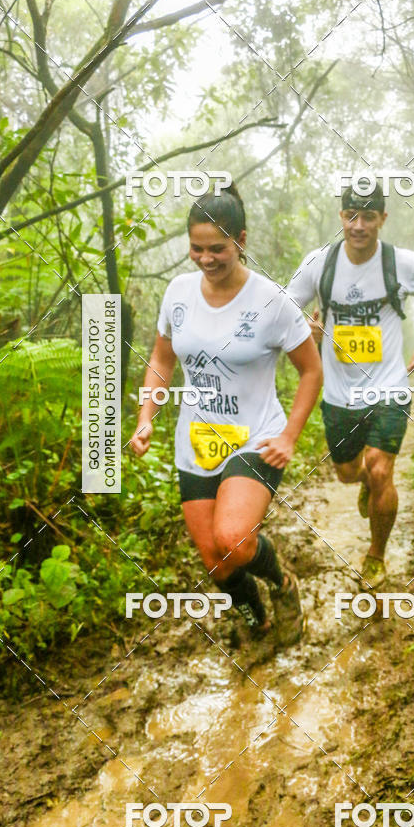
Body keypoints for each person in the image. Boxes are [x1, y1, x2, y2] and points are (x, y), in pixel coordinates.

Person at [131, 182, 322, 646]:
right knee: (216, 560)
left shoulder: (271, 302)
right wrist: (145, 418)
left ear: (241, 241)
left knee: (234, 538)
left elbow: (311, 372)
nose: (206, 258)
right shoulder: (177, 293)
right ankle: (255, 616)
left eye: (217, 248)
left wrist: (291, 436)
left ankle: (282, 585)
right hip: (195, 439)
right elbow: (161, 359)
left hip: (256, 434)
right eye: (196, 249)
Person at [286, 182, 414, 587]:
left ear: (382, 219)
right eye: (351, 216)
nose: (359, 226)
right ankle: (363, 486)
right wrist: (309, 332)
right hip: (340, 394)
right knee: (347, 471)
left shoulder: (402, 263)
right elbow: (284, 312)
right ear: (341, 217)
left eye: (368, 217)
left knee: (380, 470)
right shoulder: (320, 264)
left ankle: (375, 555)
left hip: (390, 387)